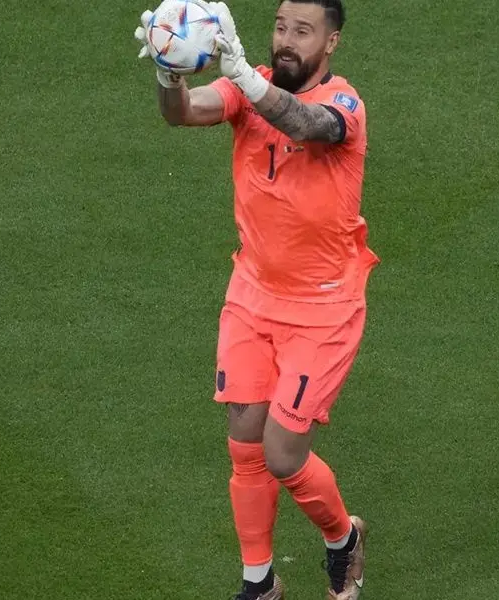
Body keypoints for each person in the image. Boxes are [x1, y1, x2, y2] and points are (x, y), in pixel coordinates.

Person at [134, 1, 377, 598]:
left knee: (283, 456)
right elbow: (183, 114)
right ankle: (259, 582)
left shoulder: (344, 104)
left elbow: (304, 125)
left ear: (332, 42)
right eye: (280, 28)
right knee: (244, 441)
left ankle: (343, 538)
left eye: (303, 32)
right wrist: (171, 73)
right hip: (252, 295)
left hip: (323, 308)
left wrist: (243, 75)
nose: (287, 42)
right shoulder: (252, 86)